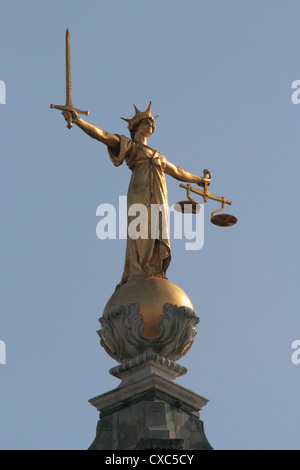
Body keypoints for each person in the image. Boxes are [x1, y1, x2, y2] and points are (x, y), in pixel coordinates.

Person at [62, 102, 210, 289]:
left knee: (157, 229)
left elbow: (177, 171)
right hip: (139, 192)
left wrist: (199, 180)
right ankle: (139, 270)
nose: (150, 125)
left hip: (158, 194)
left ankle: (154, 268)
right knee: (141, 230)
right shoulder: (130, 146)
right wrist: (79, 121)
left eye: (151, 123)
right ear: (135, 127)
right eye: (145, 123)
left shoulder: (159, 156)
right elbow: (103, 136)